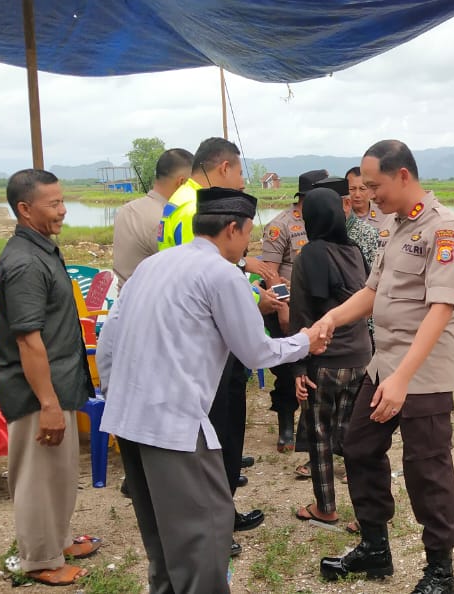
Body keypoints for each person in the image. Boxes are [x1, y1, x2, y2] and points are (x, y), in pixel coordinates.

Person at [98, 187, 329, 594]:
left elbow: (109, 341)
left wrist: (116, 397)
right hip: (174, 427)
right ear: (232, 229)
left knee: (163, 541)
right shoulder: (223, 274)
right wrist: (306, 341)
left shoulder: (153, 266)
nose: (247, 245)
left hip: (128, 419)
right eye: (247, 235)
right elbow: (255, 351)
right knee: (203, 533)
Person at [316, 140, 454, 594]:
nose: (369, 194)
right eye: (364, 186)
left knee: (427, 469)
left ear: (403, 176)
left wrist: (403, 378)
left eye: (375, 185)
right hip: (384, 366)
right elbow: (373, 291)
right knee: (359, 446)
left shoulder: (445, 230)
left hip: (421, 374)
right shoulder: (396, 227)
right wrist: (331, 318)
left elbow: (440, 309)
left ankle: (441, 571)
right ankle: (375, 548)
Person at [158, 137, 273, 551]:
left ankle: (215, 514)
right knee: (219, 424)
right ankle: (219, 519)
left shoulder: (179, 199)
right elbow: (212, 271)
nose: (241, 181)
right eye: (241, 173)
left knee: (207, 427)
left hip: (186, 326)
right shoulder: (198, 205)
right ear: (223, 167)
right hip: (208, 329)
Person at [0, 169, 99, 586]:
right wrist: (49, 404)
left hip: (58, 386)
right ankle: (40, 560)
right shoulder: (22, 263)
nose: (63, 210)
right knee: (38, 478)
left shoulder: (42, 250)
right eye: (53, 204)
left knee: (58, 473)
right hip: (38, 393)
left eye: (62, 201)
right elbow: (28, 341)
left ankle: (59, 540)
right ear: (24, 209)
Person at [287, 188, 372, 527]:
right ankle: (367, 515)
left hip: (325, 360)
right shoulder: (355, 252)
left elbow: (300, 317)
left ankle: (326, 508)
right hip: (361, 357)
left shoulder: (308, 257)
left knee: (320, 435)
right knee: (354, 437)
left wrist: (297, 367)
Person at [261, 169, 329, 452]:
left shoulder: (323, 221)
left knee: (313, 368)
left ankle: (310, 427)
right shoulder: (281, 226)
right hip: (287, 308)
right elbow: (270, 273)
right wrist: (282, 309)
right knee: (288, 369)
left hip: (316, 309)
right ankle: (286, 426)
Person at [112, 148, 192, 289]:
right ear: (182, 182)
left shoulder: (127, 209)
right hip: (151, 305)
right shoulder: (165, 219)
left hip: (124, 302)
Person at [347, 165, 393, 234]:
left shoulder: (385, 214)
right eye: (352, 189)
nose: (357, 195)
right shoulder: (341, 216)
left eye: (362, 189)